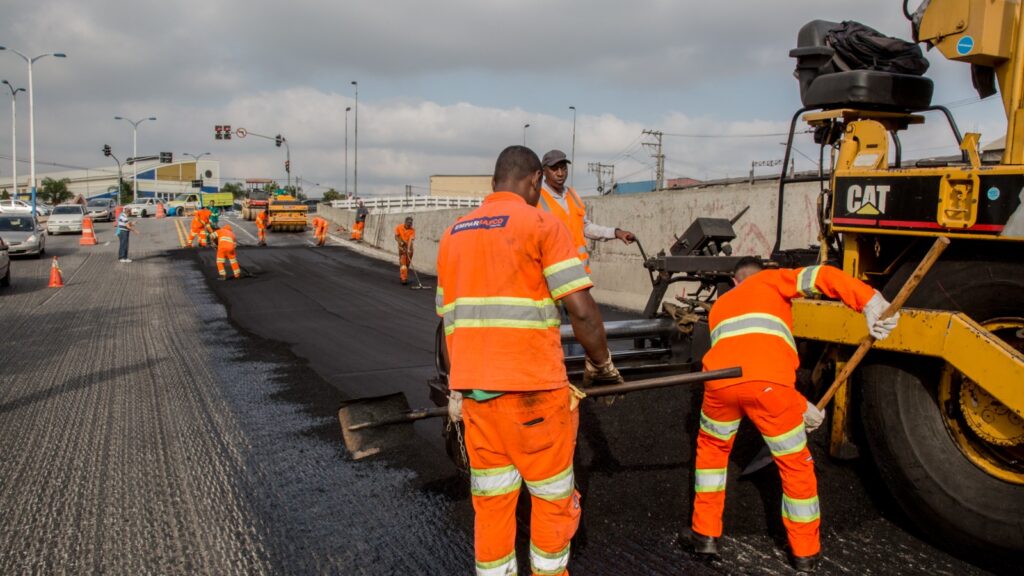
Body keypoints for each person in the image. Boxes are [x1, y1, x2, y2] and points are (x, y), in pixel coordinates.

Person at [437, 145, 624, 576]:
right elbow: (582, 311)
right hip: (535, 397)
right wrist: (601, 366)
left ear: (494, 182)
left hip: (478, 401)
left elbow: (448, 323)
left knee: (492, 505)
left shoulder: (453, 235)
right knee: (552, 501)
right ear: (536, 180)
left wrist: (456, 390)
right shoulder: (542, 223)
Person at [690, 257, 900, 572]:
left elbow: (745, 355)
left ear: (734, 282)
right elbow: (823, 275)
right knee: (794, 464)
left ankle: (704, 536)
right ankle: (804, 552)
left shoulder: (720, 305)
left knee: (712, 454)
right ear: (762, 274)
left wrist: (800, 405)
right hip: (770, 388)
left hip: (718, 384)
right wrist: (869, 301)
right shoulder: (774, 280)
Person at [538, 149, 636, 273]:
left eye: (563, 168)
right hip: (553, 274)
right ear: (544, 171)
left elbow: (585, 226)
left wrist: (616, 233)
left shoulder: (572, 194)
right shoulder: (536, 198)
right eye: (554, 169)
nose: (560, 173)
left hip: (579, 272)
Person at [394, 216, 415, 284]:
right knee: (403, 264)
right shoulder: (399, 227)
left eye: (411, 223)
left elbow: (411, 240)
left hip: (409, 249)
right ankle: (404, 278)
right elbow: (396, 237)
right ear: (405, 222)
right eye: (408, 222)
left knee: (407, 264)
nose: (410, 224)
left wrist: (408, 249)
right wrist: (401, 242)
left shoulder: (412, 230)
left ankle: (403, 274)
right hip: (402, 248)